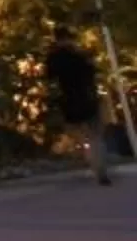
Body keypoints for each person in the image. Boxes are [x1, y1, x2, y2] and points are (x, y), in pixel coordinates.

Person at [45, 32, 115, 187]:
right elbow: (92, 72)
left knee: (83, 135)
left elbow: (50, 80)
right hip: (87, 98)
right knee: (95, 135)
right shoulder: (79, 55)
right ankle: (100, 168)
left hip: (69, 102)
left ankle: (94, 163)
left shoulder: (54, 59)